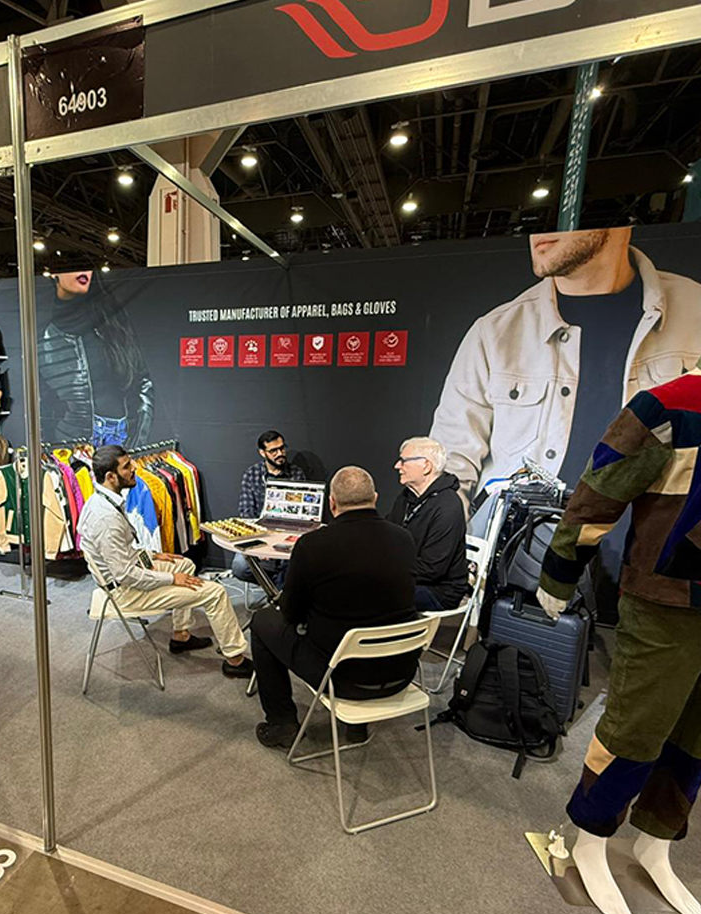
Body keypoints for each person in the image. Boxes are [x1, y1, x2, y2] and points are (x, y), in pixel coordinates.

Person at [537, 357, 701, 914]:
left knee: (696, 738)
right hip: (664, 604)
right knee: (634, 728)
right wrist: (560, 571)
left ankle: (656, 841)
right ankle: (591, 834)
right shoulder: (669, 405)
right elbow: (599, 490)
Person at [431, 228, 701, 503]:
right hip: (526, 529)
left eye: (564, 212)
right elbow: (450, 465)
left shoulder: (695, 313)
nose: (539, 232)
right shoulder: (494, 333)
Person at [249, 466, 419, 748]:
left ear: (331, 503)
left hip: (341, 678)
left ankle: (282, 724)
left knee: (262, 621)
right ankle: (356, 727)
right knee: (368, 619)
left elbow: (291, 614)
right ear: (375, 498)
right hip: (401, 671)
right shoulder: (404, 539)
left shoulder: (312, 545)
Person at [78, 445, 253, 679]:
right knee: (216, 593)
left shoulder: (101, 500)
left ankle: (180, 636)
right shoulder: (106, 520)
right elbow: (126, 575)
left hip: (126, 575)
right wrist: (171, 579)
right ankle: (235, 660)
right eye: (127, 466)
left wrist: (153, 555)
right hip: (127, 591)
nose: (135, 468)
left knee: (185, 564)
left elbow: (121, 552)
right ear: (110, 476)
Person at [38, 269, 154, 448]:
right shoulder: (43, 334)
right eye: (72, 266)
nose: (83, 271)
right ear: (54, 274)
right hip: (73, 440)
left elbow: (143, 382)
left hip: (119, 436)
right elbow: (42, 400)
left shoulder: (111, 321)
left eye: (86, 267)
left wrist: (137, 440)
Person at [387, 437, 468, 612]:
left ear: (426, 466)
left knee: (369, 593)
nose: (397, 466)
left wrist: (384, 572)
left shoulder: (448, 506)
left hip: (439, 590)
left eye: (403, 461)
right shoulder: (406, 497)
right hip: (409, 576)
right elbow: (386, 533)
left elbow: (432, 569)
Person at [233, 430, 305, 586]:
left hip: (288, 533)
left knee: (294, 564)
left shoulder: (296, 474)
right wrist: (260, 544)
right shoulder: (251, 474)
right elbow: (246, 514)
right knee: (239, 567)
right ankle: (279, 587)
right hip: (260, 533)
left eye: (282, 448)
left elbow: (301, 515)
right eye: (273, 451)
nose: (280, 454)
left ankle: (279, 591)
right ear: (262, 453)